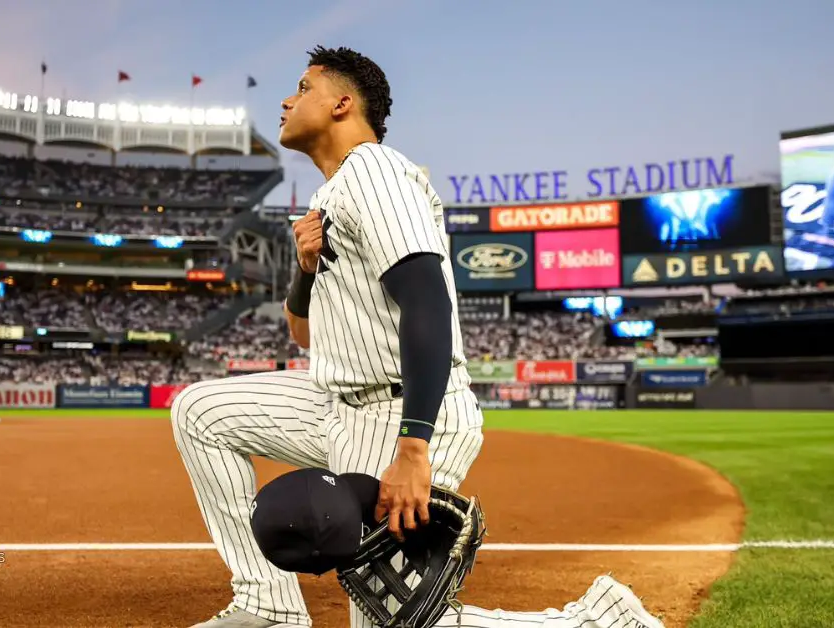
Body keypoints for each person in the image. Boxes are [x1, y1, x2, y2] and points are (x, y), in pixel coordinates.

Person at [172, 46, 663, 628]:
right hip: (335, 403)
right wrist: (304, 270)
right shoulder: (330, 197)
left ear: (342, 104)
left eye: (303, 87)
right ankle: (267, 604)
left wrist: (413, 448)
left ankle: (597, 622)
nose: (286, 99)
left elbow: (428, 301)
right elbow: (301, 334)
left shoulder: (375, 174)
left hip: (400, 411)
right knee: (202, 412)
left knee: (389, 621)